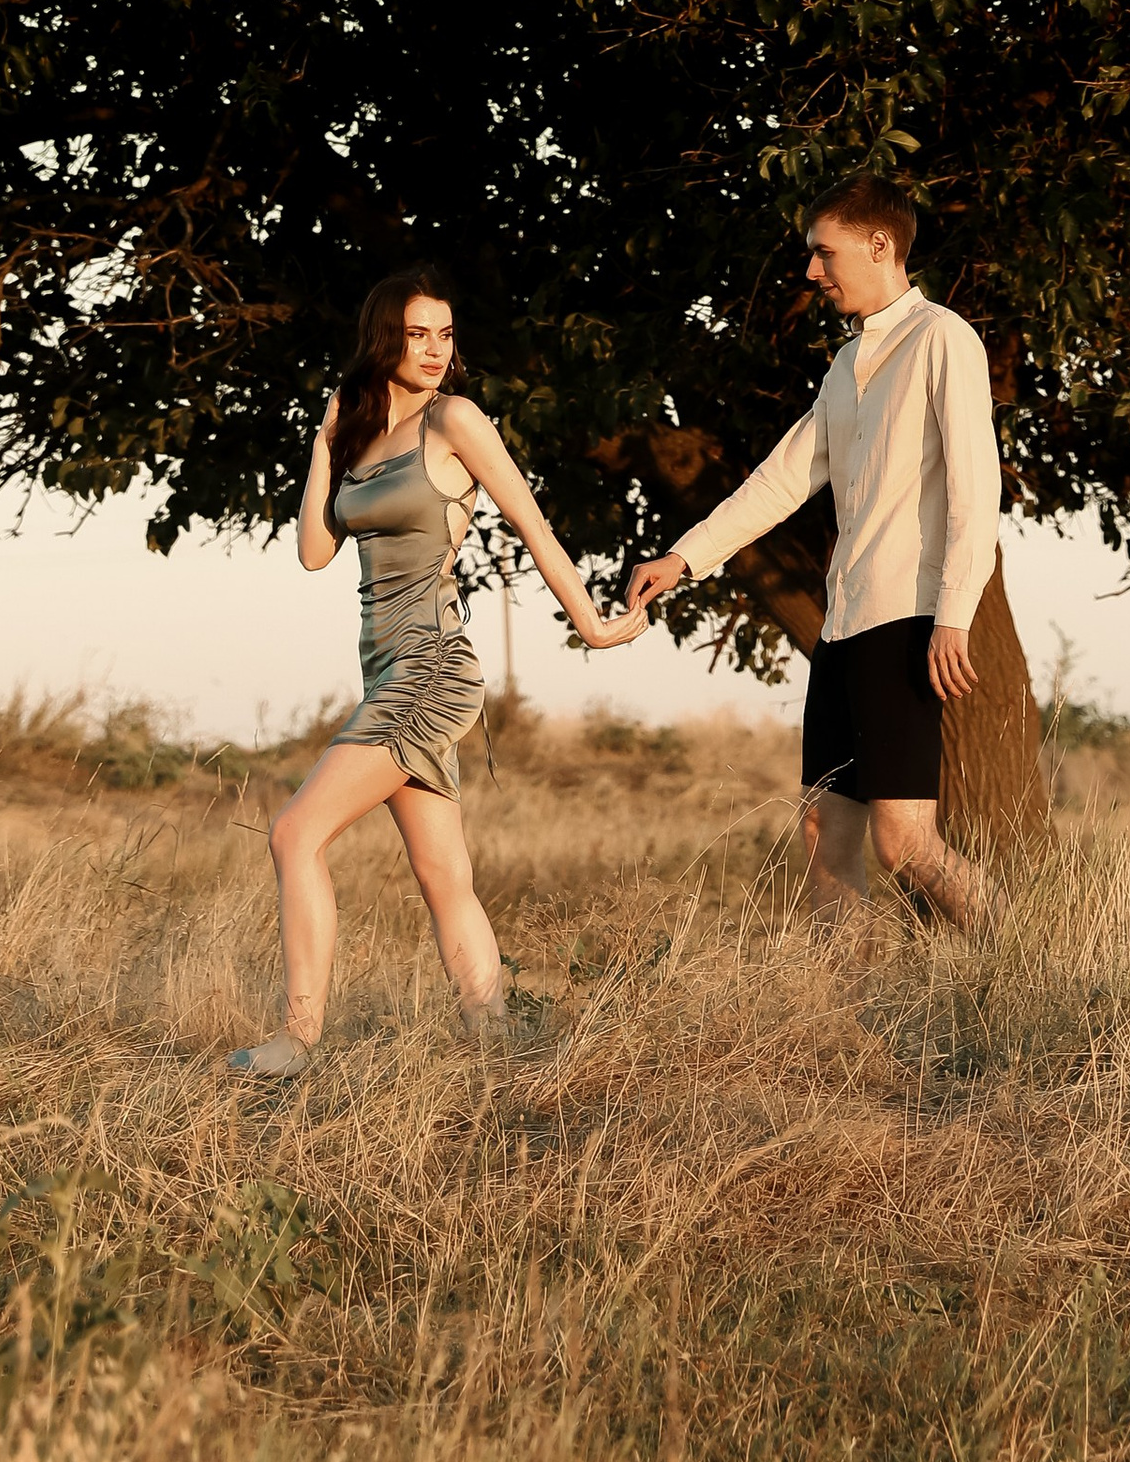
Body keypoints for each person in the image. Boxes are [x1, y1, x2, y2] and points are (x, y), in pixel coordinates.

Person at [228, 263, 648, 1076]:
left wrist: (591, 624)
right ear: (384, 337)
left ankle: (297, 1041)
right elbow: (316, 552)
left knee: (294, 833)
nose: (433, 349)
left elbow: (531, 520)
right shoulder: (358, 433)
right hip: (385, 670)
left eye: (444, 334)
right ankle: (497, 1043)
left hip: (432, 666)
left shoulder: (454, 421)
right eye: (417, 333)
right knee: (442, 871)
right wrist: (323, 436)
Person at [626, 173, 1001, 929]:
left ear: (879, 244)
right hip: (844, 626)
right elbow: (780, 480)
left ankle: (1021, 969)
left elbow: (976, 489)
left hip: (907, 621)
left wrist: (955, 614)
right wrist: (684, 557)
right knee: (825, 835)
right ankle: (854, 1029)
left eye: (823, 253)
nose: (812, 272)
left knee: (905, 844)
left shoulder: (943, 339)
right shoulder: (843, 368)